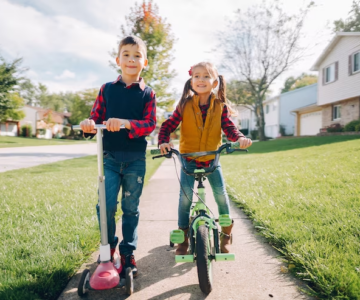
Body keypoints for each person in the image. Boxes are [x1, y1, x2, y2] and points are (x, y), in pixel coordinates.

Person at [80, 35, 156, 277]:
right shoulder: (107, 89)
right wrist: (88, 124)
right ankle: (109, 245)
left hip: (135, 160)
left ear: (145, 62)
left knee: (131, 207)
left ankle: (127, 251)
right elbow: (96, 117)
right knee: (106, 205)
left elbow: (150, 123)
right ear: (118, 60)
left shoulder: (147, 94)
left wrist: (125, 123)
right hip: (110, 159)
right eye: (127, 55)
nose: (131, 59)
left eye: (137, 56)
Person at [158, 62, 252, 255]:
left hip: (211, 159)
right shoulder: (184, 105)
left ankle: (226, 236)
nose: (201, 80)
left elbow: (229, 129)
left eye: (206, 76)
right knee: (185, 199)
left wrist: (240, 138)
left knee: (221, 195)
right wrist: (164, 142)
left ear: (214, 82)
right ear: (191, 81)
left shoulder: (220, 107)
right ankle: (183, 238)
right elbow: (167, 126)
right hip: (188, 160)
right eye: (197, 76)